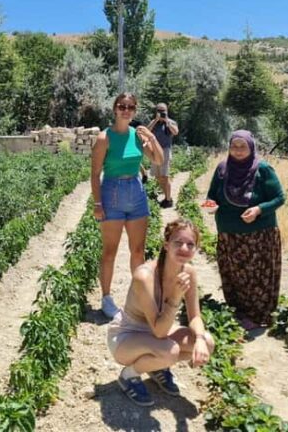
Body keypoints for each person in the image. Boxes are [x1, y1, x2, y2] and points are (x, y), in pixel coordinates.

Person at [107, 218, 215, 406]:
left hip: (156, 334)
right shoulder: (145, 276)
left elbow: (195, 316)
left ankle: (157, 366)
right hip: (127, 336)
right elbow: (159, 331)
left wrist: (199, 339)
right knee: (170, 351)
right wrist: (175, 297)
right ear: (166, 245)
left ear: (196, 249)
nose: (184, 248)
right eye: (178, 242)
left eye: (190, 244)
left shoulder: (188, 272)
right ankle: (129, 375)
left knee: (208, 342)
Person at [91, 92, 163, 319]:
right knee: (110, 251)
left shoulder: (137, 135)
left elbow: (158, 160)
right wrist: (97, 203)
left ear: (135, 110)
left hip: (136, 192)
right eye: (122, 106)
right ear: (115, 109)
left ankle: (138, 298)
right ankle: (106, 298)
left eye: (130, 107)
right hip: (112, 192)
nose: (126, 110)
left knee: (138, 251)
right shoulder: (104, 138)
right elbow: (94, 173)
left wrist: (151, 138)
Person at [205, 130, 285, 331]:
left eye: (243, 146)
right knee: (233, 274)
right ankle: (238, 311)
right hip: (228, 233)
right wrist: (210, 204)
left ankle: (257, 316)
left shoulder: (263, 169)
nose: (238, 150)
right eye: (234, 146)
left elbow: (279, 197)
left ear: (251, 147)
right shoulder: (223, 168)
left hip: (259, 235)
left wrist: (259, 209)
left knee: (257, 276)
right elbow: (212, 195)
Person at [147, 103, 179, 208]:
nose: (161, 113)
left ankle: (168, 200)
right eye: (159, 111)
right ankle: (167, 196)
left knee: (165, 176)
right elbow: (146, 131)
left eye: (163, 111)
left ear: (167, 111)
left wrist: (167, 122)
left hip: (165, 151)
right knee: (157, 176)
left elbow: (175, 132)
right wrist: (156, 120)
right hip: (155, 150)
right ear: (156, 111)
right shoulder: (154, 122)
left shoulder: (171, 122)